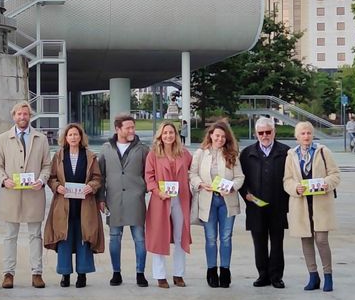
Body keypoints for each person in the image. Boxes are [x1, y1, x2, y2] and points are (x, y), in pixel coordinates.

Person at [0, 101, 52, 289]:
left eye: (25, 114)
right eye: (19, 114)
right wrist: (3, 180)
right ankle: (8, 273)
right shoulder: (3, 139)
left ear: (30, 116)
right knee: (10, 235)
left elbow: (47, 165)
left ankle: (37, 273)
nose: (22, 117)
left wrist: (42, 180)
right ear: (14, 116)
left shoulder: (40, 139)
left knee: (35, 234)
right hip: (11, 194)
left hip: (34, 194)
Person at [283, 122, 341, 292]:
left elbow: (335, 175)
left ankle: (328, 275)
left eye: (308, 133)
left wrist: (326, 183)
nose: (306, 136)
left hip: (320, 203)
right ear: (297, 136)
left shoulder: (323, 152)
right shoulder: (291, 155)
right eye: (302, 133)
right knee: (306, 239)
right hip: (301, 203)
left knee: (321, 240)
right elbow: (287, 180)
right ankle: (313, 275)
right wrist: (295, 188)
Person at [44, 123, 104, 288]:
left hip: (85, 205)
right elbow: (51, 177)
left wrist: (91, 186)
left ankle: (82, 275)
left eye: (76, 135)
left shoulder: (90, 156)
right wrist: (57, 187)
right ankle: (65, 275)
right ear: (65, 137)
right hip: (64, 205)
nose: (73, 138)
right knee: (65, 239)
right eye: (70, 135)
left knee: (84, 238)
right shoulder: (59, 156)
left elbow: (98, 178)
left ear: (81, 137)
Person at [189, 121, 245, 288]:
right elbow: (192, 173)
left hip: (226, 200)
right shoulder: (200, 153)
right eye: (217, 135)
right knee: (211, 238)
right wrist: (200, 183)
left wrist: (231, 187)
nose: (220, 139)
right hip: (208, 199)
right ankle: (211, 270)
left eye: (223, 136)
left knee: (226, 238)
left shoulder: (232, 154)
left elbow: (239, 177)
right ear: (211, 135)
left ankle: (225, 271)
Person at [97, 114, 149, 287]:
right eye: (128, 128)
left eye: (133, 127)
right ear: (118, 129)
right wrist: (101, 198)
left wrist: (144, 189)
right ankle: (116, 272)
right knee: (114, 237)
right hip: (114, 198)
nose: (132, 130)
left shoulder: (142, 149)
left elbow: (148, 172)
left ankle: (140, 273)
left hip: (136, 199)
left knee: (140, 238)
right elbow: (100, 175)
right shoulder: (106, 149)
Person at [239, 117, 290, 288]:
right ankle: (263, 274)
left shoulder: (286, 152)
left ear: (274, 132)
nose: (265, 135)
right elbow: (241, 178)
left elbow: (291, 177)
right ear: (256, 134)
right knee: (259, 241)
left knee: (277, 242)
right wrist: (246, 194)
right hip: (255, 207)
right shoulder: (247, 154)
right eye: (261, 133)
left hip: (278, 206)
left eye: (268, 132)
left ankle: (276, 276)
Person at [145, 121, 193, 288]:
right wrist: (158, 192)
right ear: (160, 135)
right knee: (160, 236)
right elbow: (149, 178)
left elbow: (192, 173)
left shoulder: (184, 154)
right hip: (161, 200)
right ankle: (160, 275)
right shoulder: (153, 155)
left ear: (176, 135)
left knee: (180, 236)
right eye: (165, 133)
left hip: (181, 199)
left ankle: (179, 274)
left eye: (171, 133)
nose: (168, 136)